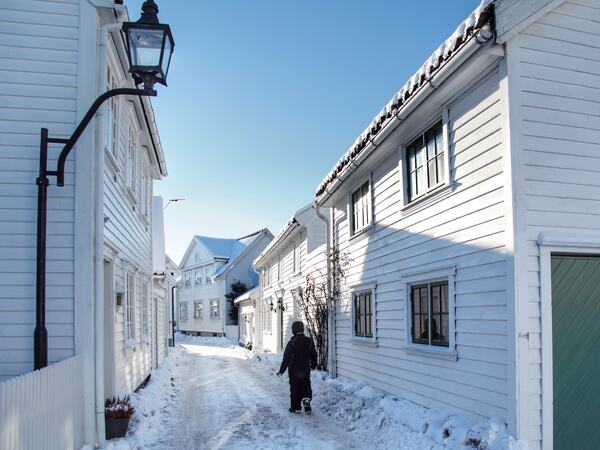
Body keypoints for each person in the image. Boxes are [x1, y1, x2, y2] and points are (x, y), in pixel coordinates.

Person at [277, 321, 317, 414]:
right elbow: (313, 354)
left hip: (294, 370)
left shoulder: (292, 343)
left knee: (295, 388)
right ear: (302, 329)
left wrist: (281, 371)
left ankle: (296, 407)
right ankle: (306, 399)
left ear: (293, 330)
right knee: (306, 384)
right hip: (305, 369)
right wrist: (314, 365)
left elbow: (286, 359)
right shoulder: (309, 341)